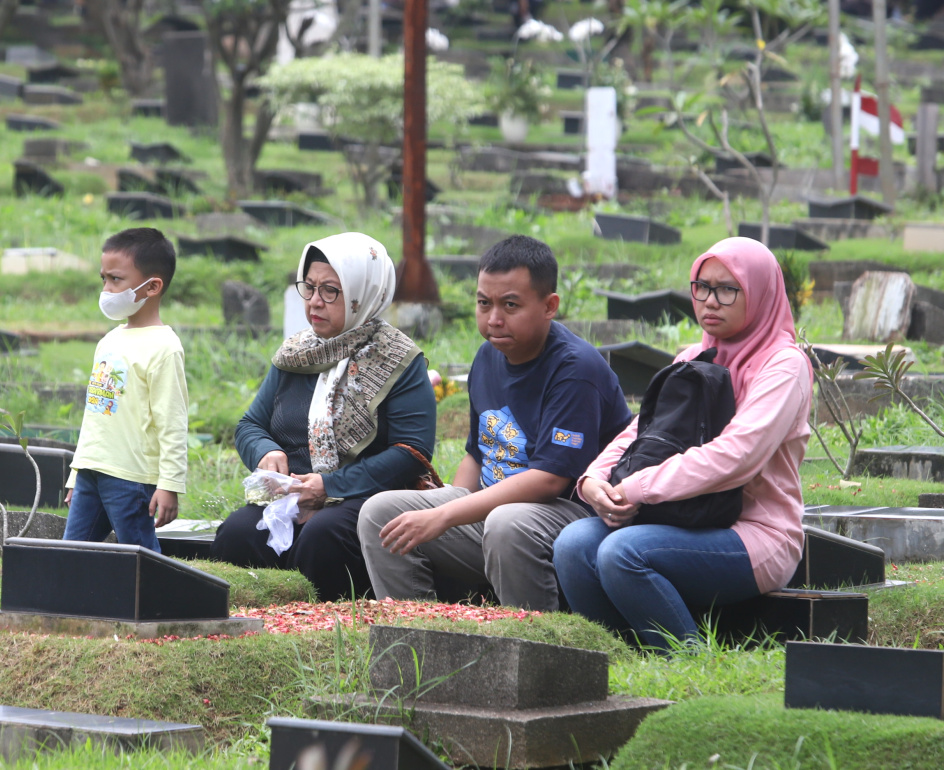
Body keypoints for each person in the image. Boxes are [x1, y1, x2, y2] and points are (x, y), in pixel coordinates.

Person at [552, 236, 814, 651]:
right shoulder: (693, 357)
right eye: (702, 286)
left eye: (728, 289)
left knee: (622, 552)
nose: (710, 301)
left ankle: (686, 661)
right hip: (681, 516)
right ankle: (620, 661)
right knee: (572, 545)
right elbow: (641, 433)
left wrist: (638, 487)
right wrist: (594, 479)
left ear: (760, 293)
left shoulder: (784, 365)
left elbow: (738, 456)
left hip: (753, 534)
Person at [357, 234, 632, 611]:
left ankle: (531, 637)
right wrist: (447, 500)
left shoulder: (576, 370)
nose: (494, 319)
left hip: (571, 515)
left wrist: (444, 515)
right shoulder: (488, 356)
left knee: (507, 524)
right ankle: (416, 630)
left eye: (510, 305)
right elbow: (479, 452)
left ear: (549, 306)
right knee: (380, 514)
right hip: (499, 508)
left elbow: (549, 480)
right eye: (484, 303)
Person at [209, 232, 436, 601]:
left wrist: (330, 486)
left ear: (364, 294)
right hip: (293, 494)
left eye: (331, 290)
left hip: (364, 497)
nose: (315, 301)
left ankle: (328, 628)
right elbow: (250, 425)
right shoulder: (296, 354)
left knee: (323, 537)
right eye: (310, 287)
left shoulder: (397, 360)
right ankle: (251, 629)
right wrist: (266, 451)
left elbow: (412, 452)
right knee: (237, 534)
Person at [64, 228, 188, 553]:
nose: (106, 289)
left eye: (116, 279)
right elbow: (95, 415)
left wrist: (169, 484)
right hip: (91, 471)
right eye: (103, 278)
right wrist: (77, 473)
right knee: (70, 557)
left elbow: (172, 422)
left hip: (130, 478)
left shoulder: (164, 348)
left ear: (152, 286)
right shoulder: (110, 340)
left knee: (141, 558)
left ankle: (162, 592)